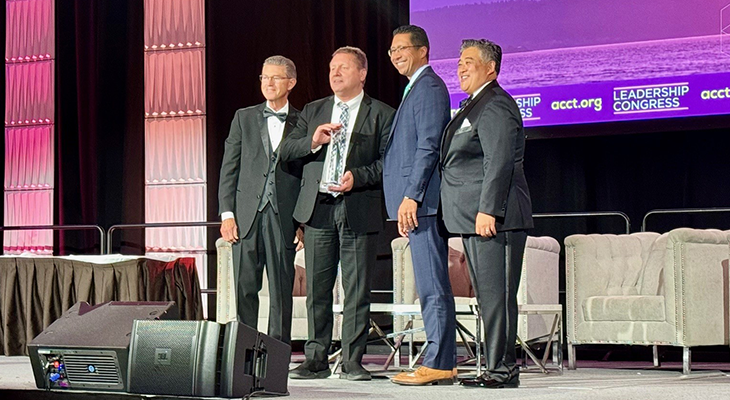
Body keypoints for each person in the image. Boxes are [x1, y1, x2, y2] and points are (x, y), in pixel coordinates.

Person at [280, 46, 395, 381]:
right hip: (318, 211)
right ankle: (316, 359)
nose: (335, 73)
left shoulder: (382, 114)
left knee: (357, 290)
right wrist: (313, 141)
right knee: (318, 288)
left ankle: (352, 360)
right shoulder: (314, 110)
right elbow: (286, 150)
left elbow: (389, 162)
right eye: (332, 68)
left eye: (343, 67)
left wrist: (357, 177)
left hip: (358, 205)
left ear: (362, 73)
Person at [440, 39, 533, 389]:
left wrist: (488, 210)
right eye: (459, 61)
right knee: (488, 297)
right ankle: (494, 366)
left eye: (469, 61)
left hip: (496, 218)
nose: (460, 67)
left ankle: (502, 370)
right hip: (471, 217)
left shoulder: (495, 105)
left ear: (490, 68)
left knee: (498, 297)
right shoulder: (472, 105)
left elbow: (499, 162)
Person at [383, 25, 456, 386]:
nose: (396, 55)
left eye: (402, 48)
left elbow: (429, 146)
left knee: (432, 284)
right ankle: (438, 358)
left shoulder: (428, 87)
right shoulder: (415, 87)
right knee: (428, 284)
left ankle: (440, 361)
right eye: (392, 50)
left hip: (423, 202)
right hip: (416, 202)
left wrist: (411, 195)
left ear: (423, 51)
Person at [218, 55, 302, 345]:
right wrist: (227, 214)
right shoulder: (244, 117)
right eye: (264, 77)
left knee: (281, 290)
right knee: (244, 287)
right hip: (246, 216)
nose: (268, 83)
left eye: (276, 77)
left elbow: (305, 176)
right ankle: (243, 351)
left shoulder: (302, 120)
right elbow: (229, 167)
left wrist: (301, 221)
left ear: (290, 82)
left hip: (284, 216)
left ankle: (277, 354)